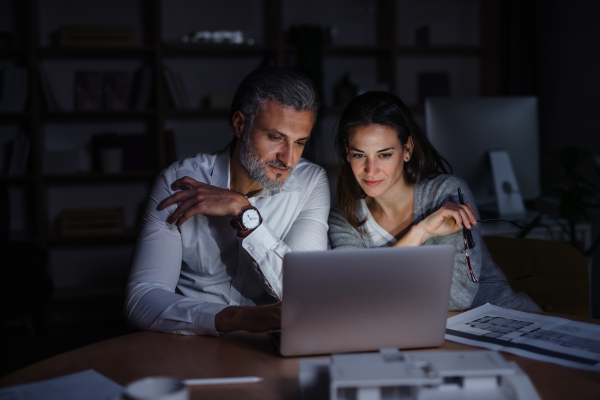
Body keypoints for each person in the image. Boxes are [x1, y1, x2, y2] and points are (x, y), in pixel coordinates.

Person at [125, 67, 330, 336]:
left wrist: (245, 213)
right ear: (239, 125)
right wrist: (236, 318)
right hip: (191, 343)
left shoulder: (311, 182)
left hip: (267, 349)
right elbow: (142, 299)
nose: (289, 159)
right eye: (276, 137)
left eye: (300, 142)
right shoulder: (177, 183)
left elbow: (307, 293)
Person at [328, 91, 540, 311]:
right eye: (359, 155)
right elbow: (354, 295)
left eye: (384, 154)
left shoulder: (446, 194)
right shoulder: (344, 218)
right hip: (425, 333)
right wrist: (420, 233)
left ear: (407, 150)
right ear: (347, 152)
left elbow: (457, 298)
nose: (371, 171)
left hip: (500, 317)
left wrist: (375, 286)